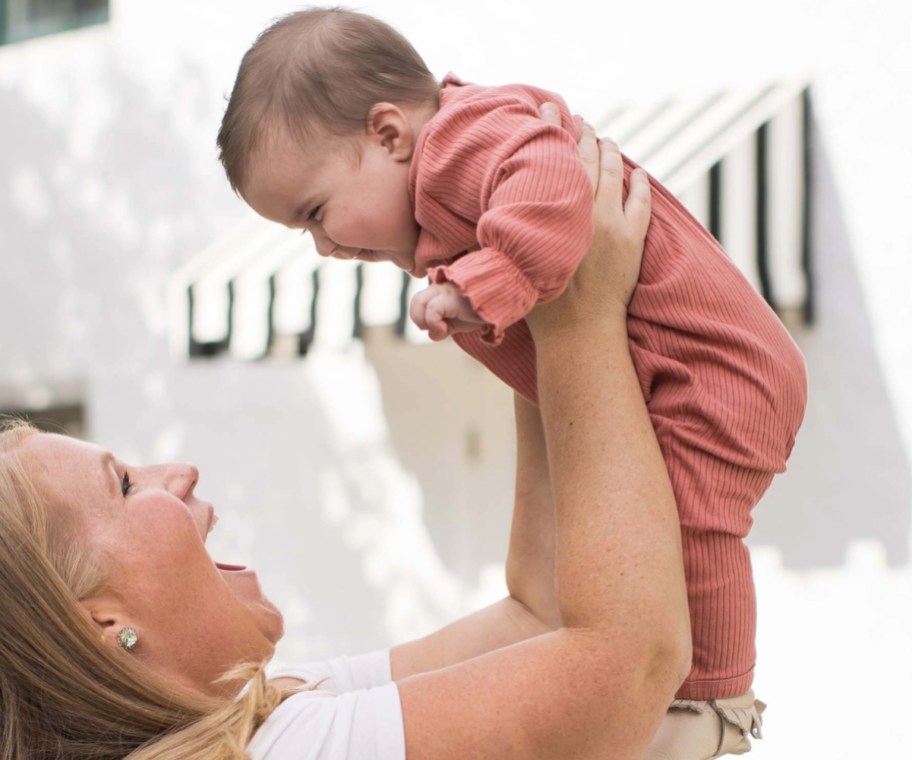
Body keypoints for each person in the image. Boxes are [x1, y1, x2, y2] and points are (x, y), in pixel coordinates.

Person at [216, 6, 806, 746]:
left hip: (712, 365)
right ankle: (701, 697)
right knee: (661, 530)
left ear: (389, 133)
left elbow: (554, 182)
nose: (324, 247)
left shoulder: (462, 141)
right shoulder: (444, 176)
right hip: (678, 365)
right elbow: (538, 602)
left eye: (316, 213)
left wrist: (485, 282)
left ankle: (712, 701)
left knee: (685, 529)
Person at [0, 135, 690, 759]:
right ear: (102, 623)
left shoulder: (276, 714)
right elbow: (630, 665)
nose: (178, 473)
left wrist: (522, 301)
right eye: (122, 485)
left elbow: (536, 616)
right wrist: (580, 316)